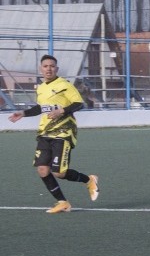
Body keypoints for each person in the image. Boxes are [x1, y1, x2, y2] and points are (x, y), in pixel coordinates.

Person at [8, 54, 99, 213]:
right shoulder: (41, 87)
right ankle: (63, 202)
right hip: (45, 132)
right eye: (45, 66)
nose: (48, 69)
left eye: (51, 66)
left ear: (56, 69)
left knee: (59, 172)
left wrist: (61, 111)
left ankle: (89, 180)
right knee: (42, 170)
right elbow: (41, 108)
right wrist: (23, 113)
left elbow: (79, 104)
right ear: (41, 69)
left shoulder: (64, 84)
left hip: (63, 132)